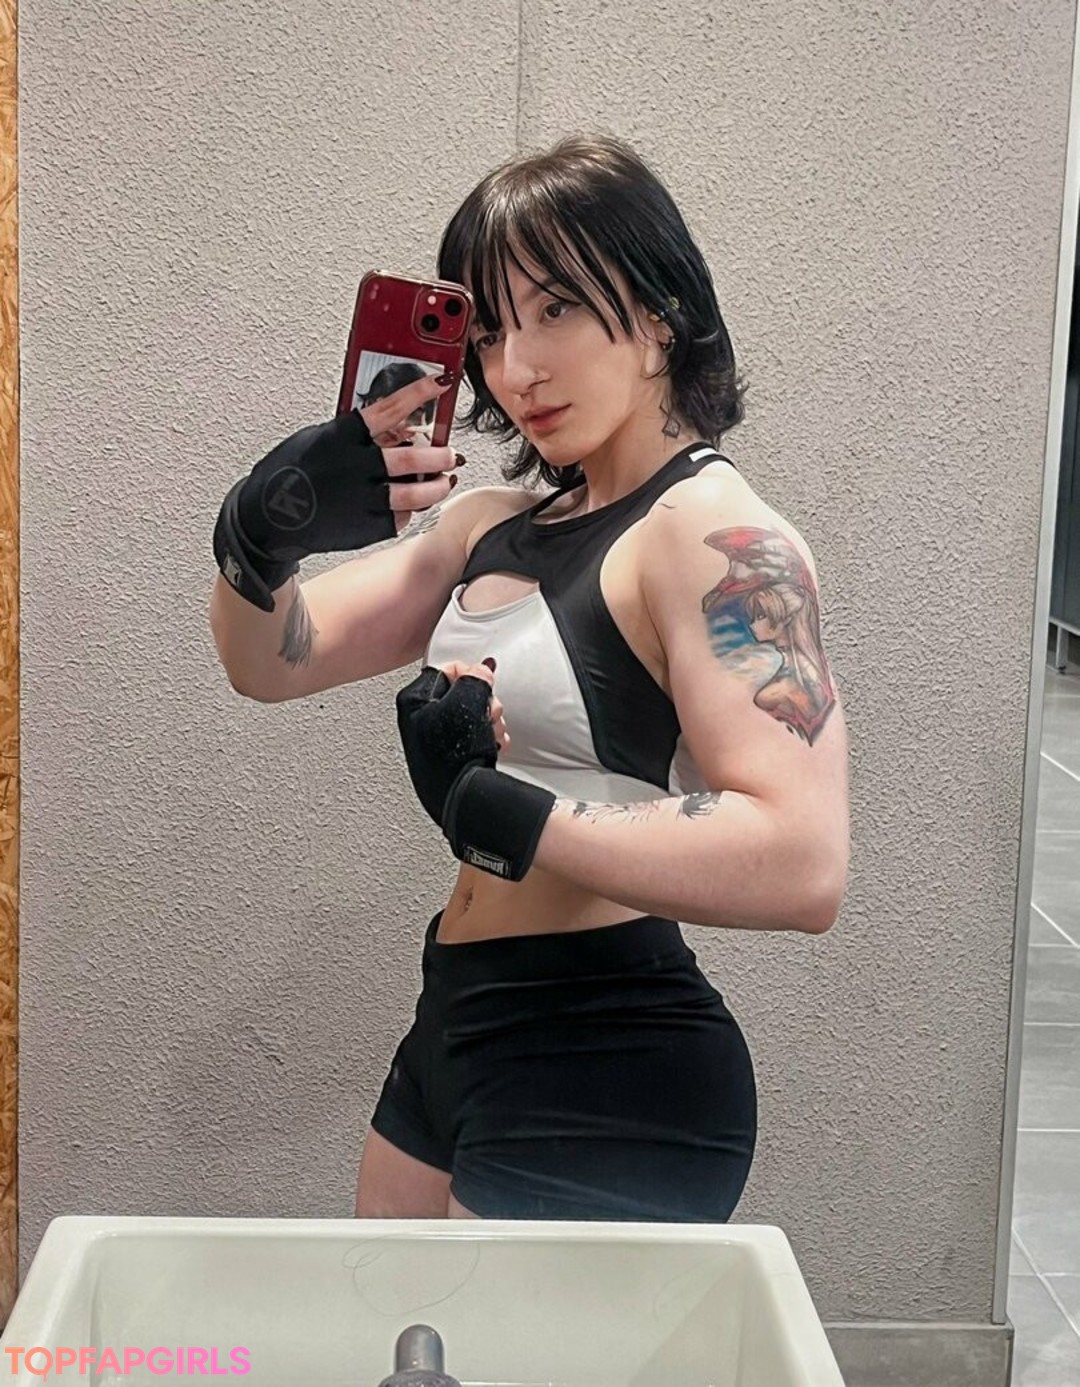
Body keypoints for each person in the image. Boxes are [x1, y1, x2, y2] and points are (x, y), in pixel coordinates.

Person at [209, 134, 850, 1223]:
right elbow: (271, 659)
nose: (516, 368)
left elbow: (803, 859)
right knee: (373, 1314)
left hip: (607, 1054)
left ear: (658, 311)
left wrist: (497, 809)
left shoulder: (716, 533)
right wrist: (263, 534)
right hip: (457, 1019)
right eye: (493, 330)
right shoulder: (493, 525)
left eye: (557, 309)